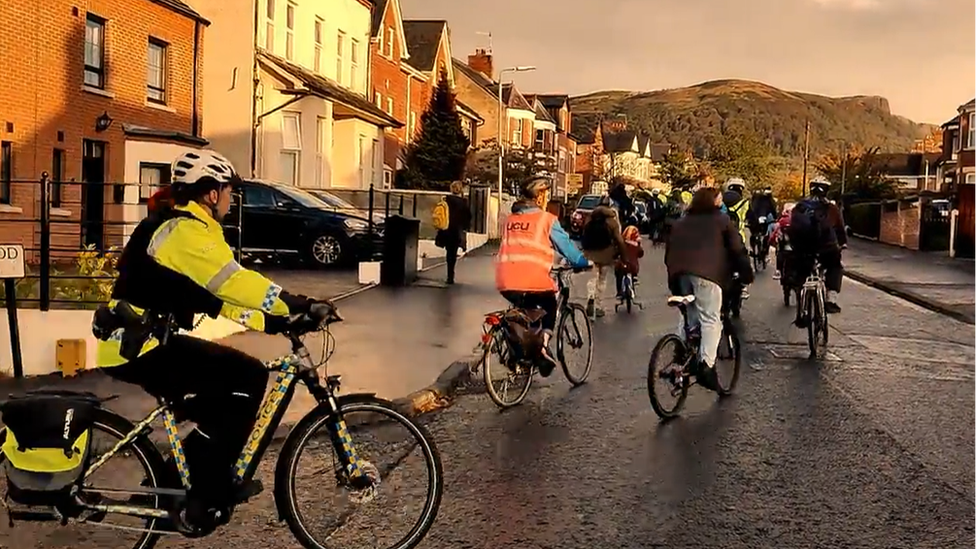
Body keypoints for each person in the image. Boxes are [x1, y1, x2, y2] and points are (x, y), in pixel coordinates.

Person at [91, 150, 328, 528]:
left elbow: (215, 300)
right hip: (141, 346)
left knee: (235, 383)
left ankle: (176, 483)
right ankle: (205, 494)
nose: (231, 199)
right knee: (246, 378)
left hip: (143, 342)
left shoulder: (183, 227)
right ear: (211, 193)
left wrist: (273, 322)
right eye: (229, 191)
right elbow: (234, 281)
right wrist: (295, 302)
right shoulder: (187, 231)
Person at [496, 176, 592, 376]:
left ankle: (521, 352)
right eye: (546, 194)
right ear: (539, 197)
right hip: (531, 280)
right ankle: (542, 348)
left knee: (527, 312)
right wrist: (583, 262)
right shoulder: (546, 219)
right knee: (549, 304)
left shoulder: (510, 220)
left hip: (504, 280)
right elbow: (566, 248)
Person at [665, 187, 753, 391]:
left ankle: (680, 354)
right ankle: (707, 366)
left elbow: (669, 251)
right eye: (719, 200)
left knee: (688, 316)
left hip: (679, 274)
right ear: (713, 202)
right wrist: (746, 274)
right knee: (711, 319)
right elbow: (737, 249)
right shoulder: (721, 220)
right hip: (707, 275)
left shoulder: (681, 221)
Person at [786, 177, 847, 317]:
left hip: (803, 249)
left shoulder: (800, 207)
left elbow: (792, 228)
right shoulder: (832, 208)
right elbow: (840, 229)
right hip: (827, 248)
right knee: (835, 266)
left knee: (801, 272)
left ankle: (801, 307)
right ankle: (831, 298)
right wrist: (843, 243)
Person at [580, 194, 628, 318]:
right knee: (602, 279)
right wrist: (624, 256)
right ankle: (598, 306)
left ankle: (590, 298)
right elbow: (619, 240)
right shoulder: (612, 220)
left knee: (592, 278)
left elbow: (584, 234)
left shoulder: (590, 218)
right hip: (606, 254)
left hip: (590, 252)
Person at [436, 181, 472, 285]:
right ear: (460, 190)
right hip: (457, 230)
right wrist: (465, 227)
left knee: (449, 252)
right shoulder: (463, 203)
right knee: (453, 251)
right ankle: (450, 274)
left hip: (446, 229)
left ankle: (449, 274)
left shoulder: (446, 200)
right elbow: (468, 217)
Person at [615, 223, 644, 302]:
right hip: (633, 267)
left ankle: (619, 292)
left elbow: (616, 253)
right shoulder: (636, 244)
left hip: (622, 266)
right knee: (634, 267)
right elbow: (641, 253)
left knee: (618, 274)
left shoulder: (622, 243)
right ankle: (634, 277)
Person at [768, 202, 795, 280]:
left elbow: (775, 234)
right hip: (796, 247)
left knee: (780, 252)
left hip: (784, 247)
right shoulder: (798, 220)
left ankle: (778, 271)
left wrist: (770, 242)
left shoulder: (781, 221)